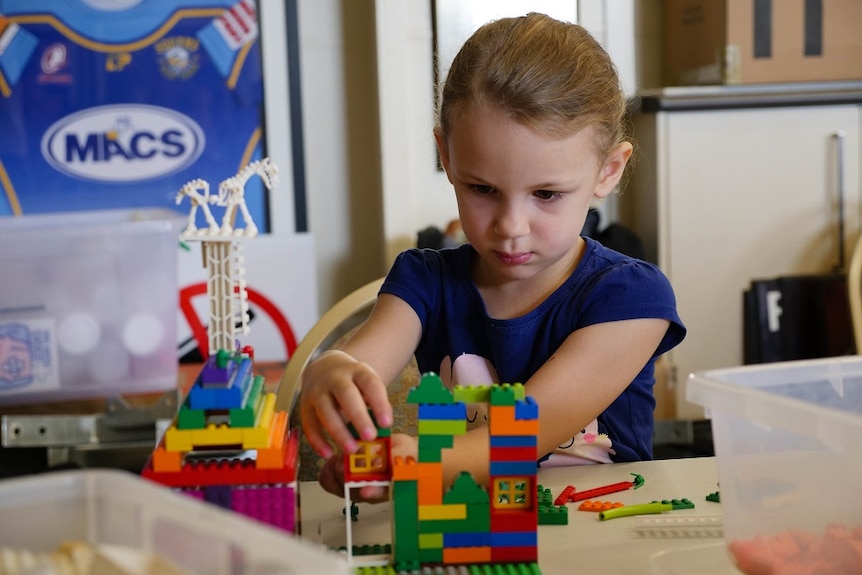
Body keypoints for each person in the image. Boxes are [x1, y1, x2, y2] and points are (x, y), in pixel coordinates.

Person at [300, 12, 686, 501]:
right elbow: (360, 363)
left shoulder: (632, 299)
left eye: (546, 194)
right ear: (447, 155)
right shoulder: (423, 281)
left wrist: (416, 467)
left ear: (608, 171)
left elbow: (525, 435)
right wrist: (331, 372)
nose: (510, 227)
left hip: (600, 532)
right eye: (482, 188)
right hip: (472, 526)